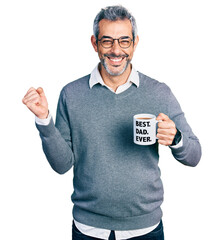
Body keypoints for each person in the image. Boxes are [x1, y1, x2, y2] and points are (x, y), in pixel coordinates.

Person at [22, 5, 201, 240]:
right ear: (95, 44)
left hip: (145, 229)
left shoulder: (159, 93)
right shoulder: (71, 94)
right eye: (107, 41)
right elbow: (62, 164)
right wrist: (43, 119)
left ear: (135, 43)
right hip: (88, 228)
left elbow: (194, 155)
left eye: (124, 41)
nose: (116, 50)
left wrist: (176, 138)